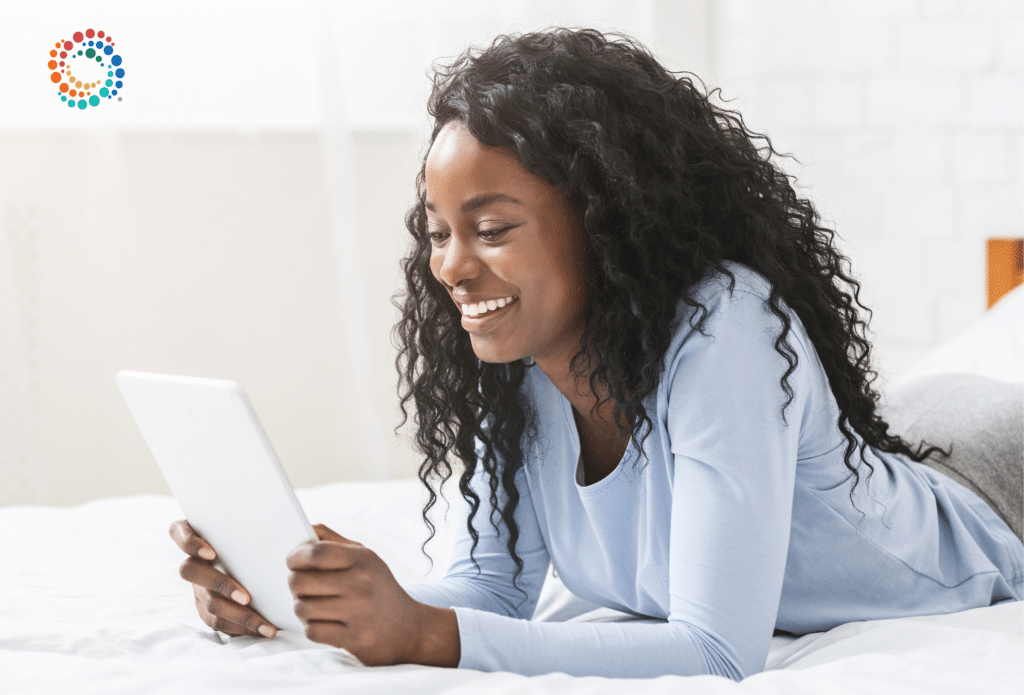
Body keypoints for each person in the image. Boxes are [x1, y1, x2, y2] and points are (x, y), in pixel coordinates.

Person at [170, 28, 1024, 680]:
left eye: (492, 229)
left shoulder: (721, 325)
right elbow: (493, 590)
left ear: (606, 220)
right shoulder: (515, 357)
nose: (453, 266)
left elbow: (719, 654)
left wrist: (431, 636)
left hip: (990, 476)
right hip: (910, 443)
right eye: (437, 233)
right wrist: (321, 600)